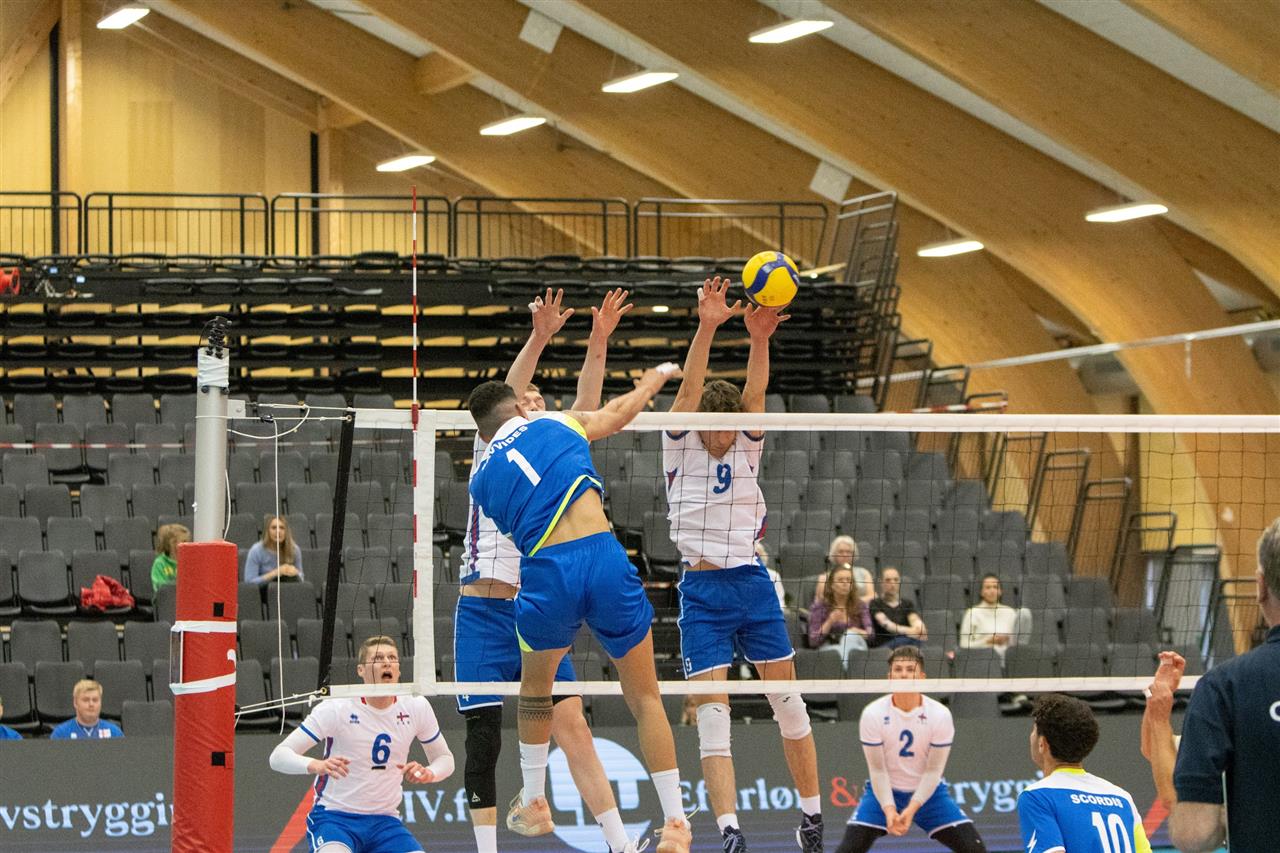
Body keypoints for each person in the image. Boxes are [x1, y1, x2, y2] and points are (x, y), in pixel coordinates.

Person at [467, 361, 692, 853]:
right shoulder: (556, 423)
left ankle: (534, 799)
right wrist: (651, 380)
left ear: (481, 432)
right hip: (604, 557)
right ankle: (676, 822)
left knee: (536, 691)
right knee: (646, 696)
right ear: (520, 406)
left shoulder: (479, 483)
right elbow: (617, 413)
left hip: (548, 571)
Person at [457, 287, 644, 853]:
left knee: (574, 725)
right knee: (483, 736)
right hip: (483, 607)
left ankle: (620, 844)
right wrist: (538, 337)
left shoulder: (557, 437)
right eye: (526, 398)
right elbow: (509, 388)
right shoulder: (492, 447)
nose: (533, 401)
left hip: (537, 600)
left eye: (540, 398)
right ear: (512, 413)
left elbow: (588, 402)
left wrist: (598, 340)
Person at [662, 276, 822, 853]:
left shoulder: (748, 440)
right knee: (713, 716)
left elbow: (756, 392)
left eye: (730, 429)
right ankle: (730, 830)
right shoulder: (680, 439)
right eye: (716, 429)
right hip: (702, 592)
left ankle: (812, 817)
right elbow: (689, 389)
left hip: (751, 583)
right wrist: (707, 326)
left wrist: (759, 338)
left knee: (788, 704)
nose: (724, 437)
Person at [1141, 516, 1280, 852]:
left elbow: (1194, 834)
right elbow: (1156, 752)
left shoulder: (1225, 686)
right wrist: (1158, 715)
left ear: (1260, 586)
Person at [269, 635, 454, 853]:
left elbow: (445, 759)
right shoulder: (337, 707)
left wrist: (429, 773)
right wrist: (316, 765)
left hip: (385, 822)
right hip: (335, 818)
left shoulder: (415, 706)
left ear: (398, 669)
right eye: (378, 658)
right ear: (361, 670)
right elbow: (278, 756)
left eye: (392, 658)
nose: (387, 663)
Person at [835, 646, 983, 852]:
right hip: (883, 793)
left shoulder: (940, 715)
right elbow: (878, 771)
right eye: (898, 669)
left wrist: (912, 808)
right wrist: (889, 810)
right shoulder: (873, 714)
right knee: (848, 849)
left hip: (930, 795)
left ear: (922, 677)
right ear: (889, 677)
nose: (903, 674)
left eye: (910, 669)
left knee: (974, 848)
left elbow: (933, 771)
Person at [1018, 693, 1151, 853]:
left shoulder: (1037, 796)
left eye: (1034, 730)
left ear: (1042, 743)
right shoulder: (1122, 798)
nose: (1031, 736)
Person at [807, 566, 873, 663]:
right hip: (830, 649)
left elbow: (871, 634)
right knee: (839, 651)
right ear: (831, 585)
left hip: (857, 647)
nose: (845, 583)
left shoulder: (860, 605)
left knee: (850, 636)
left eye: (848, 580)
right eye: (840, 580)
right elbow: (813, 641)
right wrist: (830, 621)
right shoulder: (819, 607)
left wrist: (856, 632)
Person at [958, 574, 1020, 660]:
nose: (992, 591)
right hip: (982, 660)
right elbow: (964, 645)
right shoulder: (972, 613)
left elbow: (1016, 642)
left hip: (1009, 660)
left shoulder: (1011, 613)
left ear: (1000, 591)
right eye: (988, 587)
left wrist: (1007, 640)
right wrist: (987, 642)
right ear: (982, 592)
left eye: (995, 587)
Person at [869, 567, 927, 649]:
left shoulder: (907, 603)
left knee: (917, 642)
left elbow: (914, 619)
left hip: (907, 641)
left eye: (896, 580)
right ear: (881, 583)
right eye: (888, 580)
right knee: (913, 641)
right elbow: (887, 625)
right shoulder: (875, 603)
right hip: (884, 646)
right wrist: (910, 631)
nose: (892, 584)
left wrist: (920, 628)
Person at [49, 679, 124, 739]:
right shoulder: (61, 734)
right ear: (75, 703)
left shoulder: (115, 733)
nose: (91, 704)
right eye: (86, 700)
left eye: (95, 700)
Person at [245, 515, 303, 585]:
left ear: (286, 532)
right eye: (274, 528)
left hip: (288, 589)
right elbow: (249, 582)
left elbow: (301, 577)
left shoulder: (294, 549)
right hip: (264, 590)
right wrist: (276, 572)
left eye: (282, 528)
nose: (278, 531)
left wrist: (294, 572)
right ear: (267, 531)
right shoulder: (256, 550)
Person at [815, 536, 873, 604]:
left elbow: (872, 596)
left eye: (848, 552)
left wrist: (851, 604)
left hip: (861, 609)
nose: (845, 555)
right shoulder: (825, 577)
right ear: (834, 554)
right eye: (841, 552)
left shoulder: (864, 573)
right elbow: (820, 601)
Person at [150, 522, 189, 590]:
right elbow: (159, 588)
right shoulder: (160, 563)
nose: (187, 544)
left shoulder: (188, 562)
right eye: (184, 541)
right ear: (172, 543)